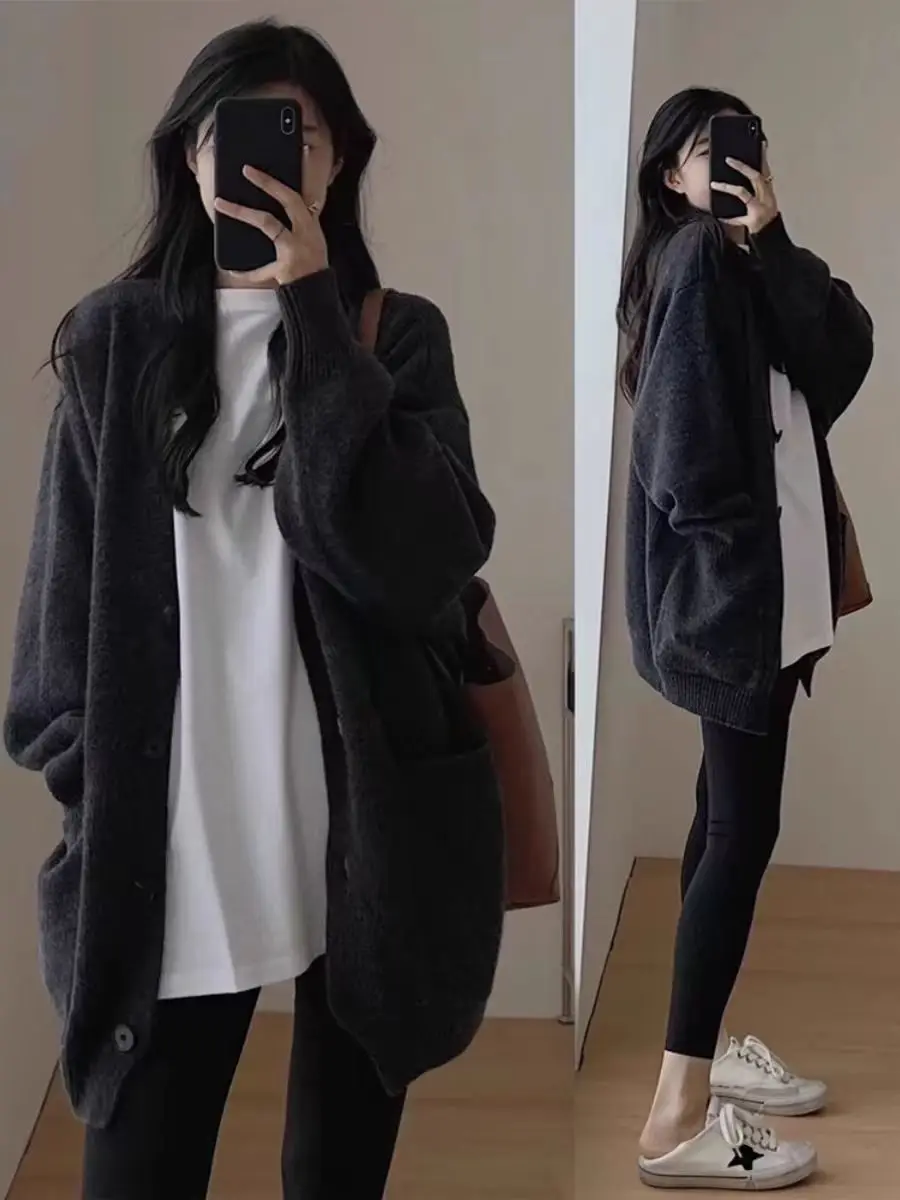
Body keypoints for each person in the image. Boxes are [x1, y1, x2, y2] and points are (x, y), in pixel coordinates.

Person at [4, 19, 505, 1200]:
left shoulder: (394, 335)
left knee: (335, 1176)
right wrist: (97, 782)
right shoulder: (114, 341)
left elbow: (421, 561)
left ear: (338, 162)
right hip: (172, 843)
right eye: (231, 136)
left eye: (302, 135)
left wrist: (314, 310)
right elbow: (54, 625)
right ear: (189, 158)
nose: (272, 161)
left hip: (364, 830)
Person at [617, 87, 873, 1190]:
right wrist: (734, 562)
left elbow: (846, 353)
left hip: (771, 604)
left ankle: (708, 1050)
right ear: (668, 177)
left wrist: (772, 238)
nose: (721, 165)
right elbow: (679, 456)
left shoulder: (747, 264)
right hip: (739, 611)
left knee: (717, 817)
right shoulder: (690, 262)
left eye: (739, 145)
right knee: (740, 832)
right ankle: (674, 1118)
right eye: (699, 151)